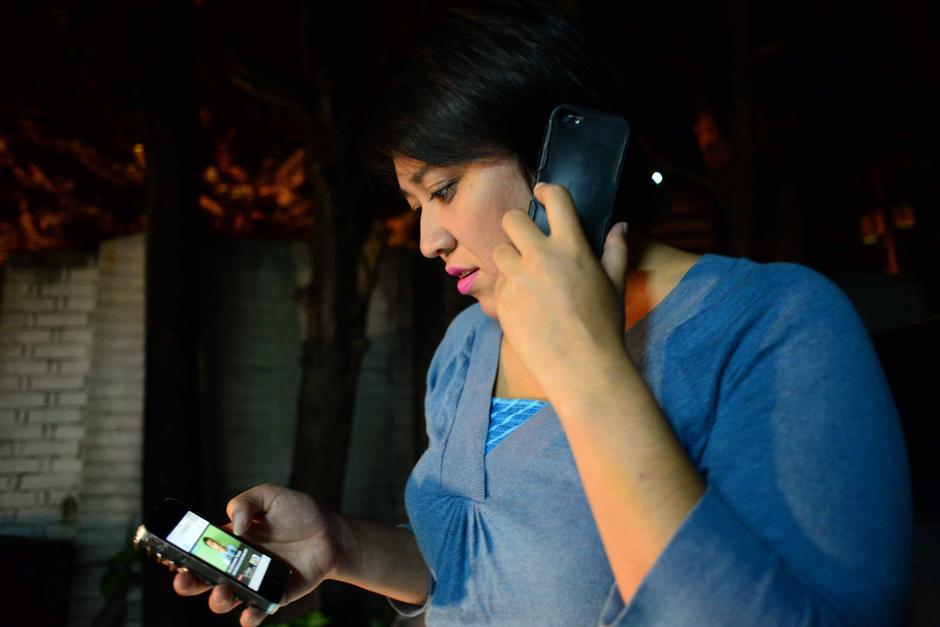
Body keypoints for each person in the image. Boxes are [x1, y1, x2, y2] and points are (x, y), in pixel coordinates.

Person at [173, 1, 912, 625]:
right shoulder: (467, 345)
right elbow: (485, 568)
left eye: (445, 189)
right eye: (412, 205)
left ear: (565, 155)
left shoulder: (772, 328)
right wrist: (343, 545)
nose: (429, 239)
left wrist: (589, 364)